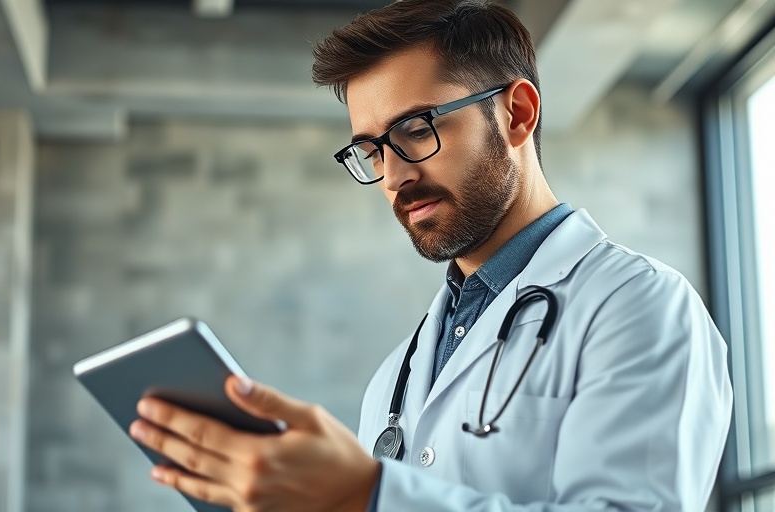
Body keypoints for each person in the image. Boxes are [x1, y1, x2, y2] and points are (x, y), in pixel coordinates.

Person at [127, 1, 734, 510]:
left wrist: (366, 490)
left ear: (517, 113)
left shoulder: (640, 305)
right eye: (370, 150)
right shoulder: (394, 378)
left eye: (417, 129)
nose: (393, 176)